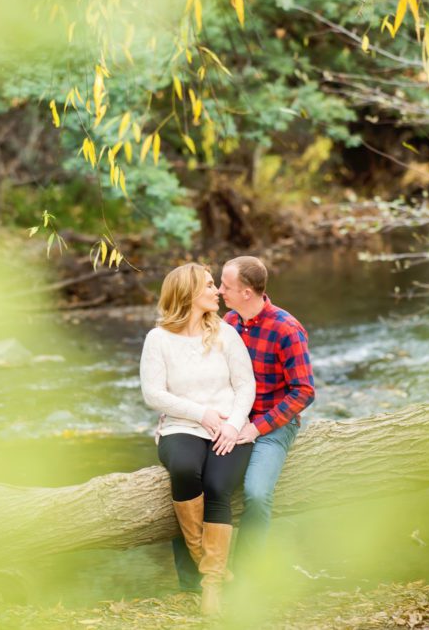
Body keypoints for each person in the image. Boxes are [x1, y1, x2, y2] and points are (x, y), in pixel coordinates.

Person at [172, 255, 316, 589]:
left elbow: (304, 391)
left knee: (255, 493)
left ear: (247, 292)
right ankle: (196, 579)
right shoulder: (230, 323)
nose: (220, 291)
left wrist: (256, 427)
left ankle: (247, 579)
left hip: (271, 426)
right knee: (192, 480)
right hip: (229, 420)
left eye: (226, 286)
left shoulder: (286, 329)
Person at [140, 263, 256, 615]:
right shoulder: (158, 339)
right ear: (189, 293)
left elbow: (245, 385)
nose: (217, 291)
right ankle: (214, 568)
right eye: (209, 285)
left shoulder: (226, 333)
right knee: (185, 468)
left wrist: (234, 424)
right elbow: (153, 394)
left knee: (219, 485)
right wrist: (201, 414)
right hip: (182, 427)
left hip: (228, 429)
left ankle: (211, 588)